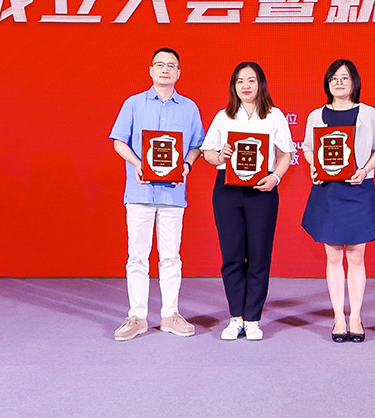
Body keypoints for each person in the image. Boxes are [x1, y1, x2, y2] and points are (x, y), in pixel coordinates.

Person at [109, 48, 205, 341]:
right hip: (139, 192)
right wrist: (138, 163)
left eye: (171, 65)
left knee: (171, 257)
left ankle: (170, 315)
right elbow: (118, 141)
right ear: (150, 70)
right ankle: (137, 316)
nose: (165, 70)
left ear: (179, 73)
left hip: (173, 194)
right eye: (160, 65)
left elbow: (197, 145)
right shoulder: (133, 104)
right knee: (137, 257)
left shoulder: (189, 108)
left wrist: (187, 165)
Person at [202, 62, 293, 341]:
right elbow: (208, 153)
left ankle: (252, 318)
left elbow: (285, 154)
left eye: (251, 80)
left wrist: (275, 178)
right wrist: (221, 155)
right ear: (234, 86)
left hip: (262, 190)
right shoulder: (224, 116)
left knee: (258, 255)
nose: (245, 86)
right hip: (228, 190)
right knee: (231, 255)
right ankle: (235, 317)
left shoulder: (275, 115)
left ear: (260, 84)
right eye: (240, 81)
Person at [301, 59, 375, 343]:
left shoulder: (368, 113)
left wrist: (365, 170)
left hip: (359, 188)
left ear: (354, 82)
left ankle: (356, 317)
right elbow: (309, 149)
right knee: (333, 255)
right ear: (327, 83)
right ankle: (338, 317)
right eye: (334, 78)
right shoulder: (316, 115)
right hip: (329, 191)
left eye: (345, 78)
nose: (339, 82)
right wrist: (314, 167)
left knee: (357, 255)